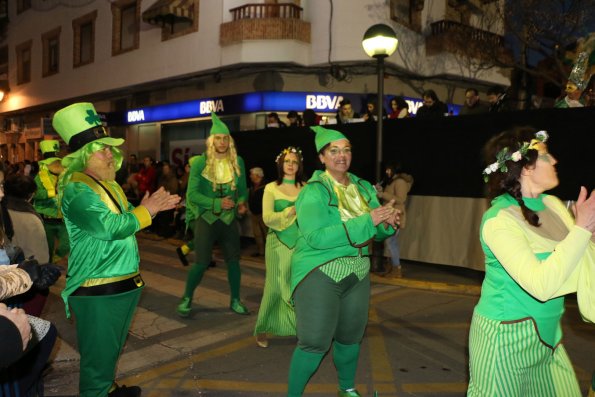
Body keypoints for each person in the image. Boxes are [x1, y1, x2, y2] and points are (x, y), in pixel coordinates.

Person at [52, 102, 180, 397]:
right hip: (97, 287)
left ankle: (108, 388)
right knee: (97, 363)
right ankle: (99, 390)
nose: (111, 153)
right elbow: (108, 227)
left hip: (121, 282)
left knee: (110, 352)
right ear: (84, 155)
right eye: (103, 149)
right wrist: (147, 210)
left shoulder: (109, 184)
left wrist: (151, 209)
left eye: (110, 148)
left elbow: (125, 221)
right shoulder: (76, 188)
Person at [468, 127, 595, 396]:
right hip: (504, 344)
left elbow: (574, 265)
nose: (555, 161)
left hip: (550, 340)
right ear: (526, 167)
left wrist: (589, 235)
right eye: (547, 156)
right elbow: (541, 285)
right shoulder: (498, 220)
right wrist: (581, 230)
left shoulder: (553, 204)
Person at [287, 126, 399, 397]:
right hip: (320, 272)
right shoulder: (314, 191)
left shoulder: (362, 187)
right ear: (322, 157)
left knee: (351, 338)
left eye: (346, 149)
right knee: (314, 342)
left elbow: (376, 228)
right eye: (333, 151)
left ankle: (346, 389)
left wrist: (388, 223)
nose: (341, 155)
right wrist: (369, 220)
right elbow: (316, 237)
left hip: (358, 273)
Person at [176, 113, 249, 317]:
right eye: (218, 138)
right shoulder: (200, 163)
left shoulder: (238, 162)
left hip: (229, 220)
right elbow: (192, 195)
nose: (222, 142)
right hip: (206, 219)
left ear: (230, 141)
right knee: (201, 262)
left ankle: (235, 300)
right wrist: (216, 202)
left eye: (225, 138)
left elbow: (243, 190)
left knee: (233, 261)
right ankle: (187, 298)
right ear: (211, 141)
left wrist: (242, 202)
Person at [254, 146, 305, 348]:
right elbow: (266, 218)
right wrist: (289, 213)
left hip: (301, 244)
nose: (291, 165)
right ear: (280, 164)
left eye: (294, 162)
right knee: (275, 286)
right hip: (276, 244)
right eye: (287, 161)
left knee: (298, 288)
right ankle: (262, 329)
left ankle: (300, 328)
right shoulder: (271, 188)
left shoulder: (307, 187)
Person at [33, 139, 70, 262]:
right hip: (47, 220)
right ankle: (48, 266)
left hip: (64, 219)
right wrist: (52, 191)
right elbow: (35, 194)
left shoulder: (66, 175)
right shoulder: (39, 177)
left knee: (66, 244)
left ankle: (55, 259)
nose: (55, 163)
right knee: (47, 247)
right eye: (52, 161)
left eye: (56, 161)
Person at [376, 163, 413, 277]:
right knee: (391, 242)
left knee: (391, 242)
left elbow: (401, 199)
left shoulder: (400, 182)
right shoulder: (392, 181)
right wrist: (380, 190)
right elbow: (391, 195)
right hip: (390, 215)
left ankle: (396, 269)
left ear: (394, 170)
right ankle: (392, 267)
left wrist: (382, 194)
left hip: (395, 215)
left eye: (389, 169)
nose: (387, 172)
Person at [248, 167, 267, 257]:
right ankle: (261, 252)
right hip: (254, 214)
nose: (250, 176)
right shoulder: (253, 187)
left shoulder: (266, 186)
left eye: (252, 174)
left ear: (257, 175)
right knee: (257, 234)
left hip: (263, 214)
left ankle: (269, 252)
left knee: (266, 233)